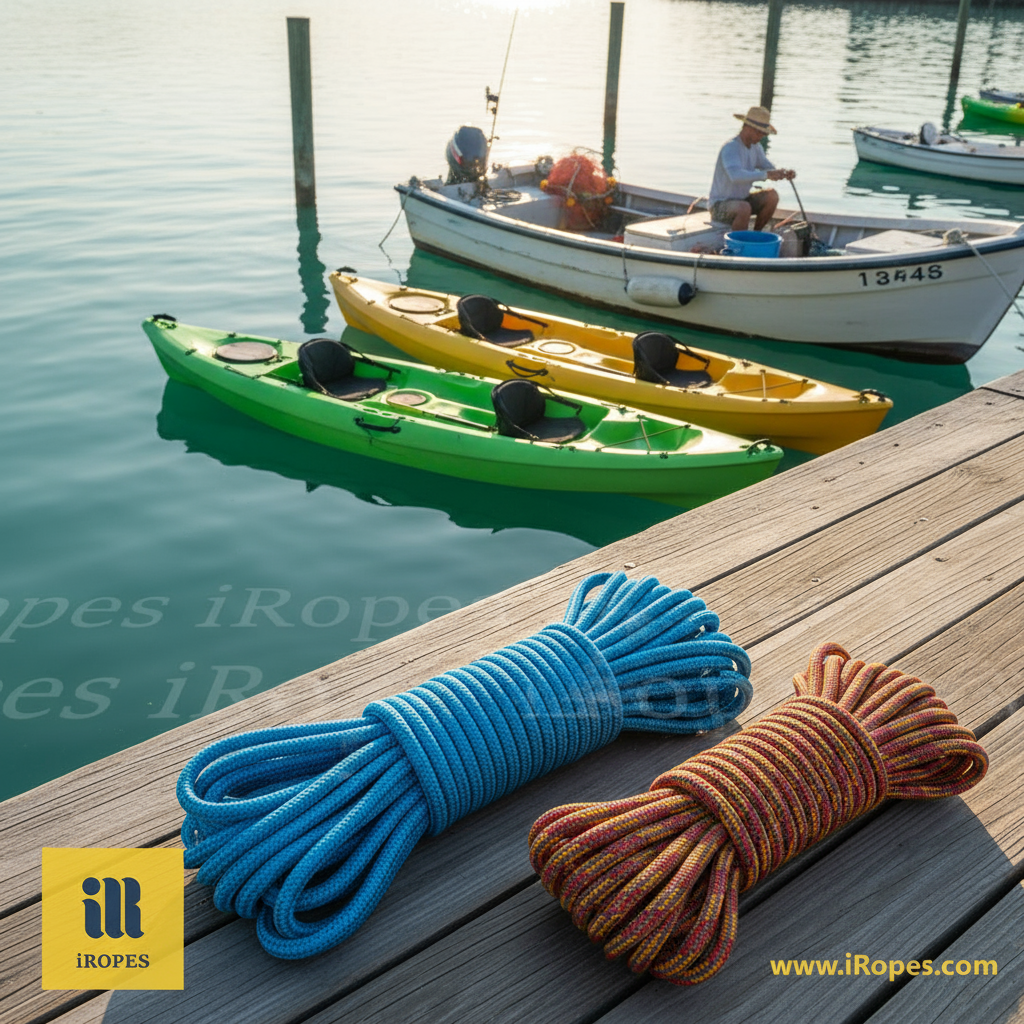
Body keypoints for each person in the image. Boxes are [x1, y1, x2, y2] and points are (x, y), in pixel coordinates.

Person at [708, 106, 796, 232]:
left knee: (772, 196)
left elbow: (768, 167)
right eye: (759, 132)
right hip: (720, 205)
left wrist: (782, 173)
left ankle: (756, 234)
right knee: (744, 208)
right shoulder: (731, 147)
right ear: (747, 127)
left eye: (764, 133)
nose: (762, 136)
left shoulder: (756, 147)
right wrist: (766, 175)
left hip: (743, 200)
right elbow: (735, 176)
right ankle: (739, 245)